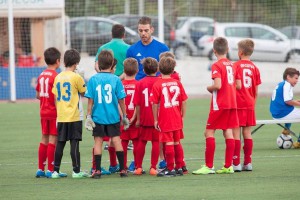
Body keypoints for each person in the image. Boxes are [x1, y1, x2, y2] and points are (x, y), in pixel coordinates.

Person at [192, 37, 238, 175]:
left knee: (209, 132)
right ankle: (228, 166)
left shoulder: (217, 65)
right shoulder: (232, 65)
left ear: (214, 51)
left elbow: (218, 85)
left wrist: (209, 88)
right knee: (228, 132)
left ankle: (209, 166)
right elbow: (237, 85)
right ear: (228, 50)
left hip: (220, 104)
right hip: (232, 103)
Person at [85, 50, 129, 178]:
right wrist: (124, 116)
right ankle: (122, 170)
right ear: (112, 64)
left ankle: (97, 171)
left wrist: (88, 116)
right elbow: (121, 100)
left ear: (98, 64)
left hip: (98, 117)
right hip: (113, 116)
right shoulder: (116, 79)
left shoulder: (93, 79)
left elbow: (90, 100)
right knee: (116, 140)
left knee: (98, 142)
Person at [51, 49, 88, 179]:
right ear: (76, 63)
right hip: (74, 115)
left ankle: (55, 171)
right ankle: (76, 171)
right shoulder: (76, 77)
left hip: (61, 115)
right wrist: (82, 79)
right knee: (74, 143)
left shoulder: (58, 76)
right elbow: (84, 93)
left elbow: (55, 96)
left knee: (60, 143)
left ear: (64, 61)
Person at [151, 56, 188, 177]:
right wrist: (182, 116)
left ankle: (170, 168)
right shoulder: (177, 83)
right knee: (177, 142)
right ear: (173, 70)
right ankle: (179, 167)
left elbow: (154, 103)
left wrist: (156, 119)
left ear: (159, 69)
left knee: (169, 143)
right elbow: (184, 100)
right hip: (177, 117)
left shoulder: (158, 84)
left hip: (165, 118)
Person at [35, 47, 65, 178]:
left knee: (44, 138)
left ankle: (40, 168)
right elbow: (56, 97)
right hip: (53, 112)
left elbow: (37, 95)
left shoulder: (41, 75)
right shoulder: (56, 77)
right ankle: (51, 170)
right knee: (54, 139)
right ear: (58, 61)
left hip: (43, 111)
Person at [232, 39, 261, 172]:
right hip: (250, 103)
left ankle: (236, 163)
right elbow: (256, 89)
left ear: (240, 52)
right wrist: (253, 104)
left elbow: (233, 85)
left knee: (236, 133)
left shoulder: (235, 66)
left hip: (237, 103)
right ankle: (248, 163)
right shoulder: (255, 68)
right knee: (247, 133)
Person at [133, 57, 160, 176]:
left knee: (141, 141)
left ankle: (138, 167)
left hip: (144, 117)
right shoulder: (159, 82)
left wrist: (138, 119)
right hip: (157, 118)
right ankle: (153, 167)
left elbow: (137, 104)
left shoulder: (140, 83)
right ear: (157, 69)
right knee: (156, 142)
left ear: (143, 70)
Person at [126, 16, 169, 80]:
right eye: (140, 30)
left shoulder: (163, 48)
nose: (143, 33)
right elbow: (127, 73)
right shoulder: (132, 50)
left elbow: (168, 71)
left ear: (152, 30)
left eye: (146, 30)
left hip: (155, 87)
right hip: (139, 87)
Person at [270, 67, 300, 148]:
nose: (297, 80)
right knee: (293, 109)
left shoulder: (282, 84)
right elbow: (288, 101)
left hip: (276, 113)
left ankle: (286, 129)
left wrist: (296, 102)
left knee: (293, 110)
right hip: (282, 113)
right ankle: (299, 142)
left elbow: (287, 101)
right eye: (296, 78)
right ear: (288, 77)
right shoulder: (287, 85)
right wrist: (297, 103)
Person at [120, 58, 139, 171]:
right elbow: (138, 104)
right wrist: (135, 118)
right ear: (137, 71)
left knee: (123, 142)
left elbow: (118, 101)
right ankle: (137, 165)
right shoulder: (138, 84)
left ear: (124, 70)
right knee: (136, 142)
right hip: (135, 118)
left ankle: (123, 166)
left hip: (123, 118)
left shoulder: (120, 84)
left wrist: (124, 116)